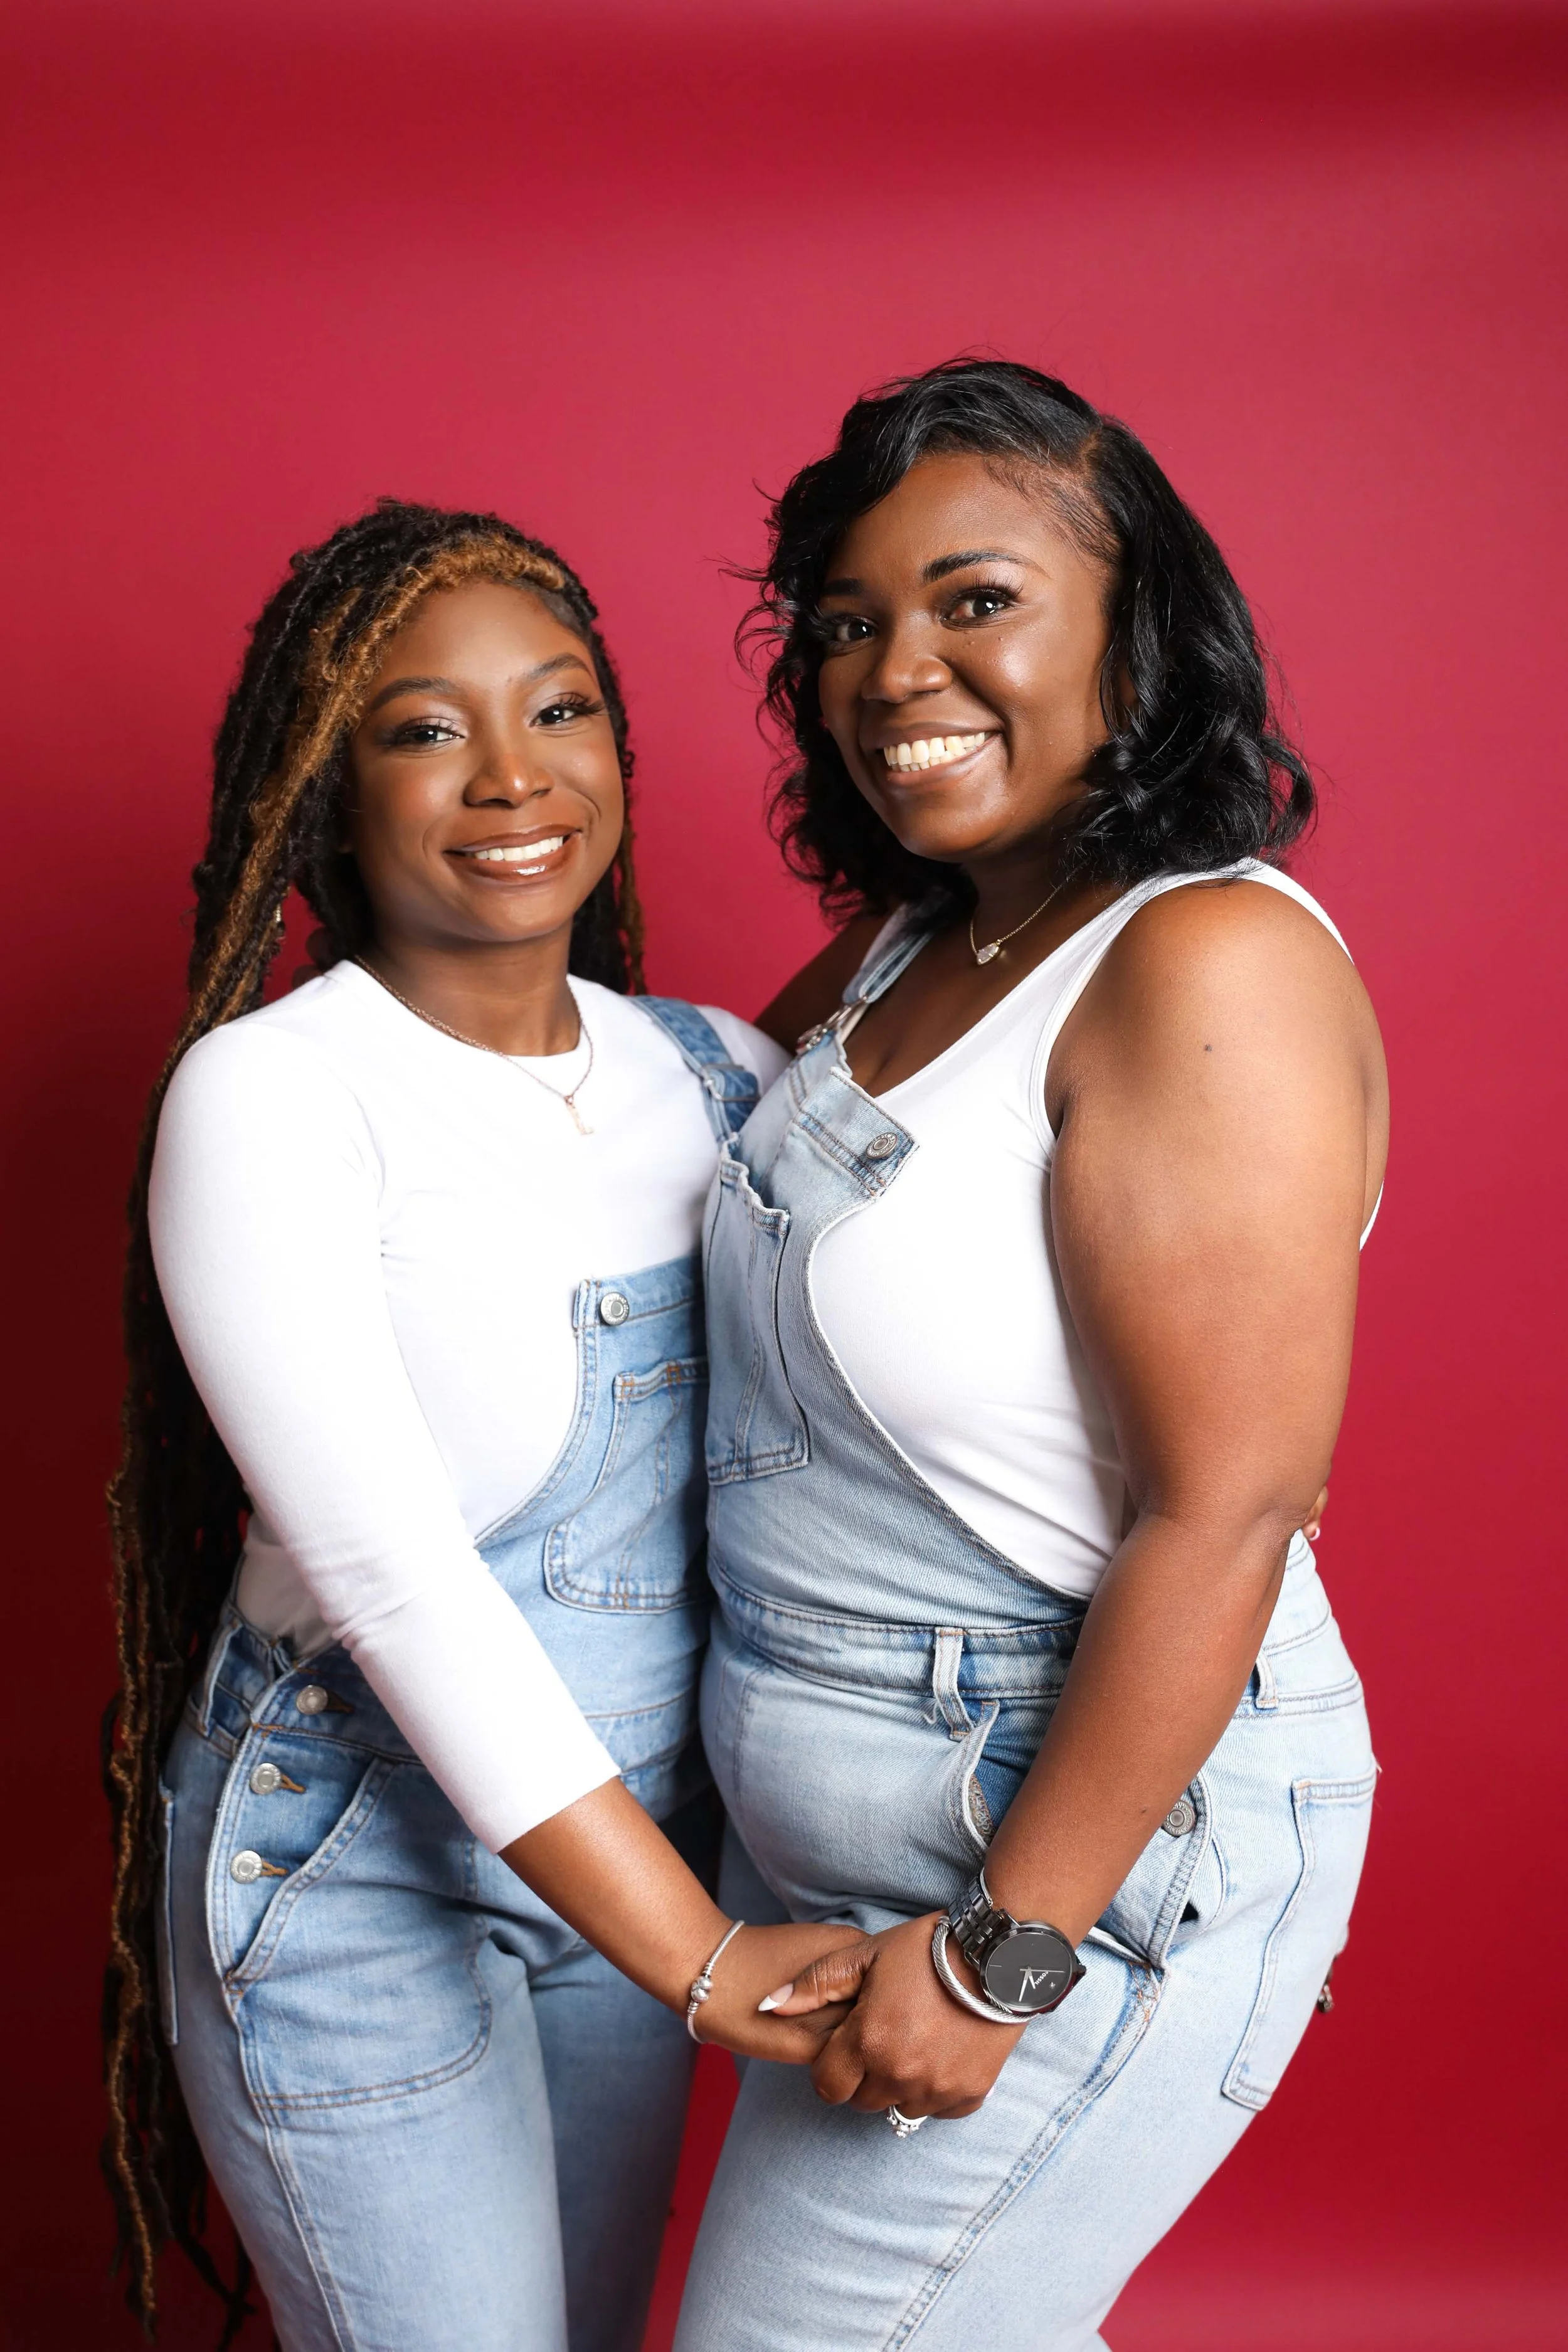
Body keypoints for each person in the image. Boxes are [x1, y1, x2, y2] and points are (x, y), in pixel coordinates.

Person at [674, 361, 1387, 2350]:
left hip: (1070, 1857)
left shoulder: (1197, 959)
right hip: (833, 1844)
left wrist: (1003, 1956)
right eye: (845, 622)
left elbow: (1225, 1507)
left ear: (1134, 635)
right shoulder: (921, 943)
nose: (899, 666)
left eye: (975, 599)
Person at [102, 501, 866, 2352]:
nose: (512, 775)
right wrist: (695, 1953)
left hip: (630, 1849)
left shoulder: (715, 1074)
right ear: (324, 794)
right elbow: (396, 1580)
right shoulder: (278, 1095)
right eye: (423, 727)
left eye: (561, 709)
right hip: (356, 1861)